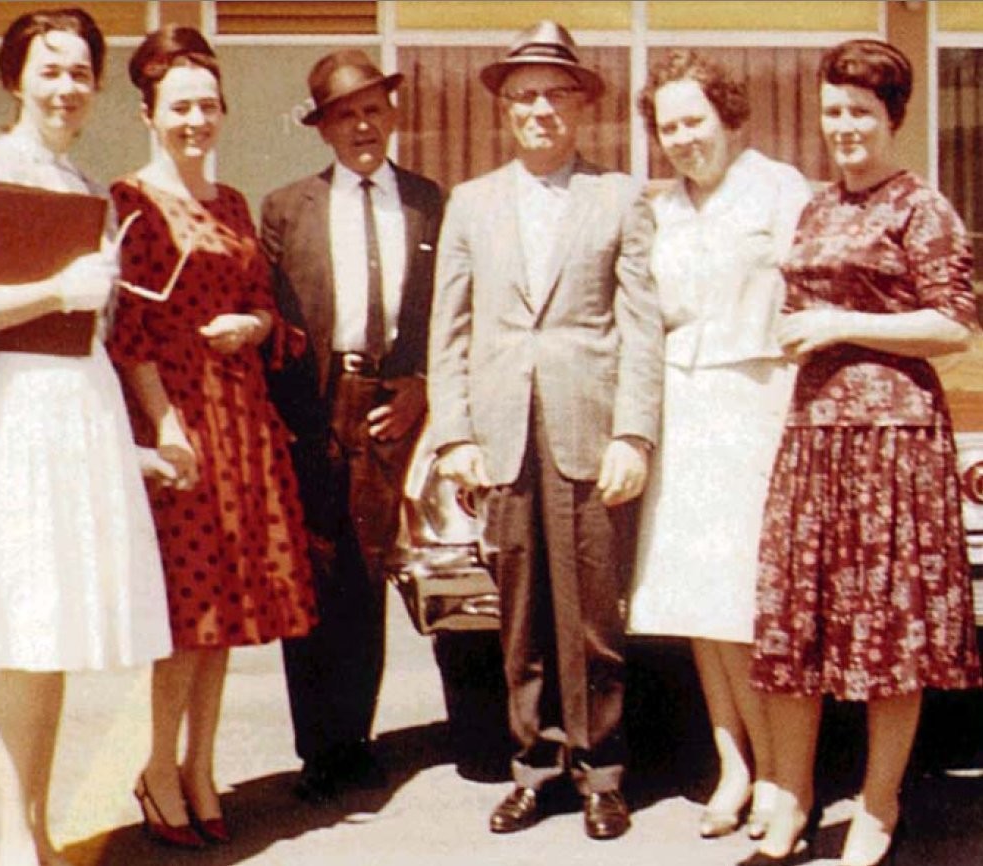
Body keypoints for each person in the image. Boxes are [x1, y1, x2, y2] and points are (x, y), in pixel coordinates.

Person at [0, 8, 173, 865]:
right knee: (20, 641)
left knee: (50, 644)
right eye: (49, 69)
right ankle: (17, 844)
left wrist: (127, 445)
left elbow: (90, 335)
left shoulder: (86, 188)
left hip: (72, 422)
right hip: (7, 428)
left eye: (81, 71)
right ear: (15, 78)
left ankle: (37, 833)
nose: (66, 87)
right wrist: (55, 291)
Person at [745, 39, 981, 866]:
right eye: (832, 111)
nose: (843, 126)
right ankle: (793, 798)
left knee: (890, 626)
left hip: (893, 441)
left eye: (860, 112)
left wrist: (841, 324)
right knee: (796, 620)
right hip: (814, 434)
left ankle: (879, 805)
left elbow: (954, 324)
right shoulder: (816, 208)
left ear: (893, 117)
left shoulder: (922, 207)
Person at [427, 20, 663, 841]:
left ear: (580, 105)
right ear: (505, 108)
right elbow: (449, 329)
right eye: (523, 96)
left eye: (555, 94)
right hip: (502, 438)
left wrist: (634, 433)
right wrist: (454, 434)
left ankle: (602, 773)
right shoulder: (471, 202)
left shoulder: (620, 197)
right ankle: (534, 767)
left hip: (588, 430)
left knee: (594, 618)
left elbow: (642, 326)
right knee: (519, 618)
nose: (539, 110)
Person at [107, 25, 317, 847]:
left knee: (226, 613)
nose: (196, 120)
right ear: (149, 115)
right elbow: (129, 335)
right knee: (187, 613)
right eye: (179, 106)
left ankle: (201, 765)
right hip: (181, 424)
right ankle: (158, 766)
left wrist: (254, 325)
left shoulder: (230, 203)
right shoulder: (133, 203)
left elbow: (266, 305)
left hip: (239, 420)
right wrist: (166, 429)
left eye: (207, 105)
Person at [626, 50, 811, 841]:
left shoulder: (780, 189)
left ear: (730, 118)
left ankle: (778, 774)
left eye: (694, 120)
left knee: (748, 602)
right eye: (668, 127)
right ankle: (733, 763)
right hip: (685, 408)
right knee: (700, 603)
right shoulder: (660, 209)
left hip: (758, 403)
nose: (682, 138)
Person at [260, 49, 444, 802]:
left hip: (391, 398)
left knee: (367, 573)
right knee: (316, 569)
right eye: (345, 115)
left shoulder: (428, 202)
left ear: (392, 115)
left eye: (373, 109)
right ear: (324, 128)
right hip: (315, 401)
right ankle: (318, 748)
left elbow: (448, 309)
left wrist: (422, 385)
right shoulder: (287, 207)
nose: (362, 126)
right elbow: (273, 319)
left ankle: (356, 740)